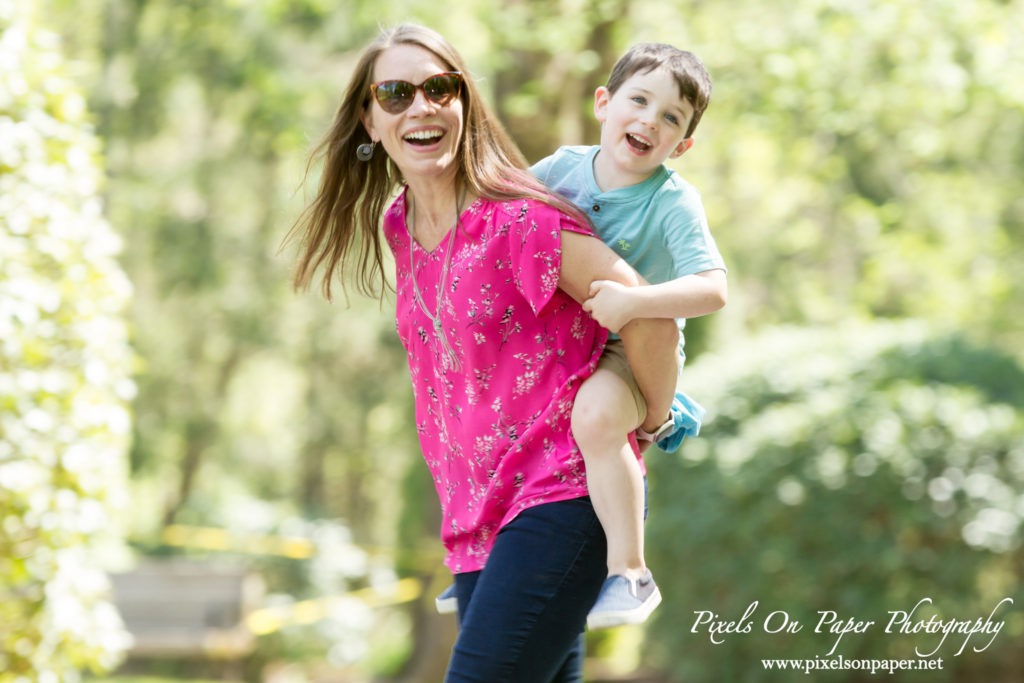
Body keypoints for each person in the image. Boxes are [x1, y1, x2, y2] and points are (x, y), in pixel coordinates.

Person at [285, 23, 680, 682]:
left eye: (440, 87)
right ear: (369, 119)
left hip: (560, 496)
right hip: (477, 523)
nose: (422, 106)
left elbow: (652, 315)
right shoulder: (399, 225)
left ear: (464, 102)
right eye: (396, 93)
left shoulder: (520, 222)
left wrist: (649, 417)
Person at [530, 43, 728, 629]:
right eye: (639, 100)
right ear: (604, 103)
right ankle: (480, 558)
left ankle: (630, 574)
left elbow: (714, 289)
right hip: (558, 341)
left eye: (671, 118)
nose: (650, 120)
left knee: (595, 418)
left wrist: (635, 302)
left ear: (682, 145)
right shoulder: (560, 167)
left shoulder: (673, 201)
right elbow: (503, 216)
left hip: (625, 353)